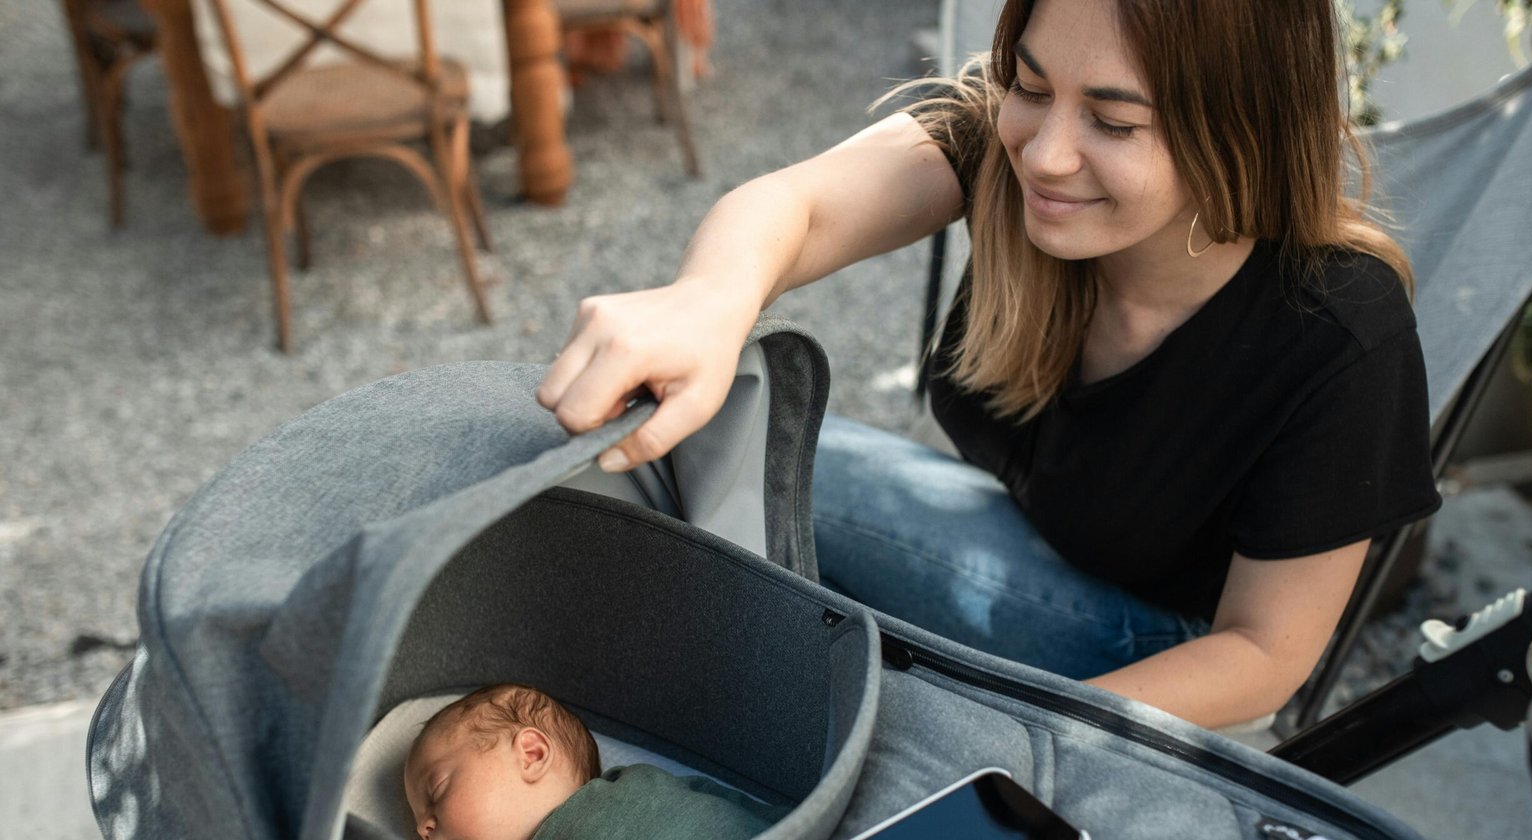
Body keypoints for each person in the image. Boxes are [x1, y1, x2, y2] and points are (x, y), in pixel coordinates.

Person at [535, 0, 1440, 729]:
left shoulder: (1341, 331)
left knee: (742, 455)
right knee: (698, 424)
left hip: (1164, 656)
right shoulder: (1006, 149)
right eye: (1031, 86)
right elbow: (798, 207)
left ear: (1239, 129)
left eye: (1115, 121)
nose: (1045, 152)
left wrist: (1013, 738)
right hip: (1019, 539)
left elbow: (1265, 656)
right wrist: (705, 302)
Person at [403, 683, 786, 840]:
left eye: (435, 791)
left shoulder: (637, 779)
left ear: (532, 755)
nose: (423, 828)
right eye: (418, 816)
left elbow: (727, 801)